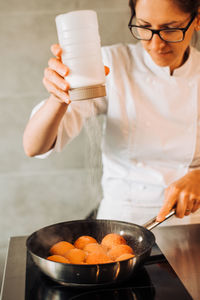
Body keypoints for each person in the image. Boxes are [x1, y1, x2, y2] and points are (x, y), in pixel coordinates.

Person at [23, 0, 200, 225]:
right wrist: (59, 97)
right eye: (144, 27)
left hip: (189, 221)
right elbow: (33, 146)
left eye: (170, 28)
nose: (156, 44)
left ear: (197, 19)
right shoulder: (110, 64)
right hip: (121, 220)